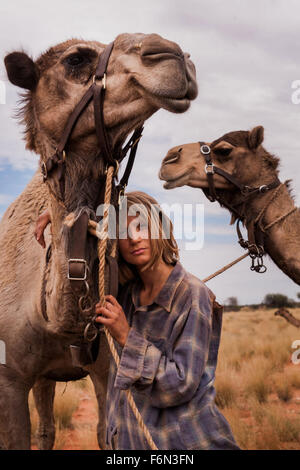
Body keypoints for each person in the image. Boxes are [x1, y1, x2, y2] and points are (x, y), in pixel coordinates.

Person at [34, 191, 239, 451]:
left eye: (141, 226)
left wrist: (126, 335)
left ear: (159, 229)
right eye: (122, 232)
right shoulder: (126, 297)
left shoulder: (192, 295)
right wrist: (58, 217)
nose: (133, 238)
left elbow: (180, 384)